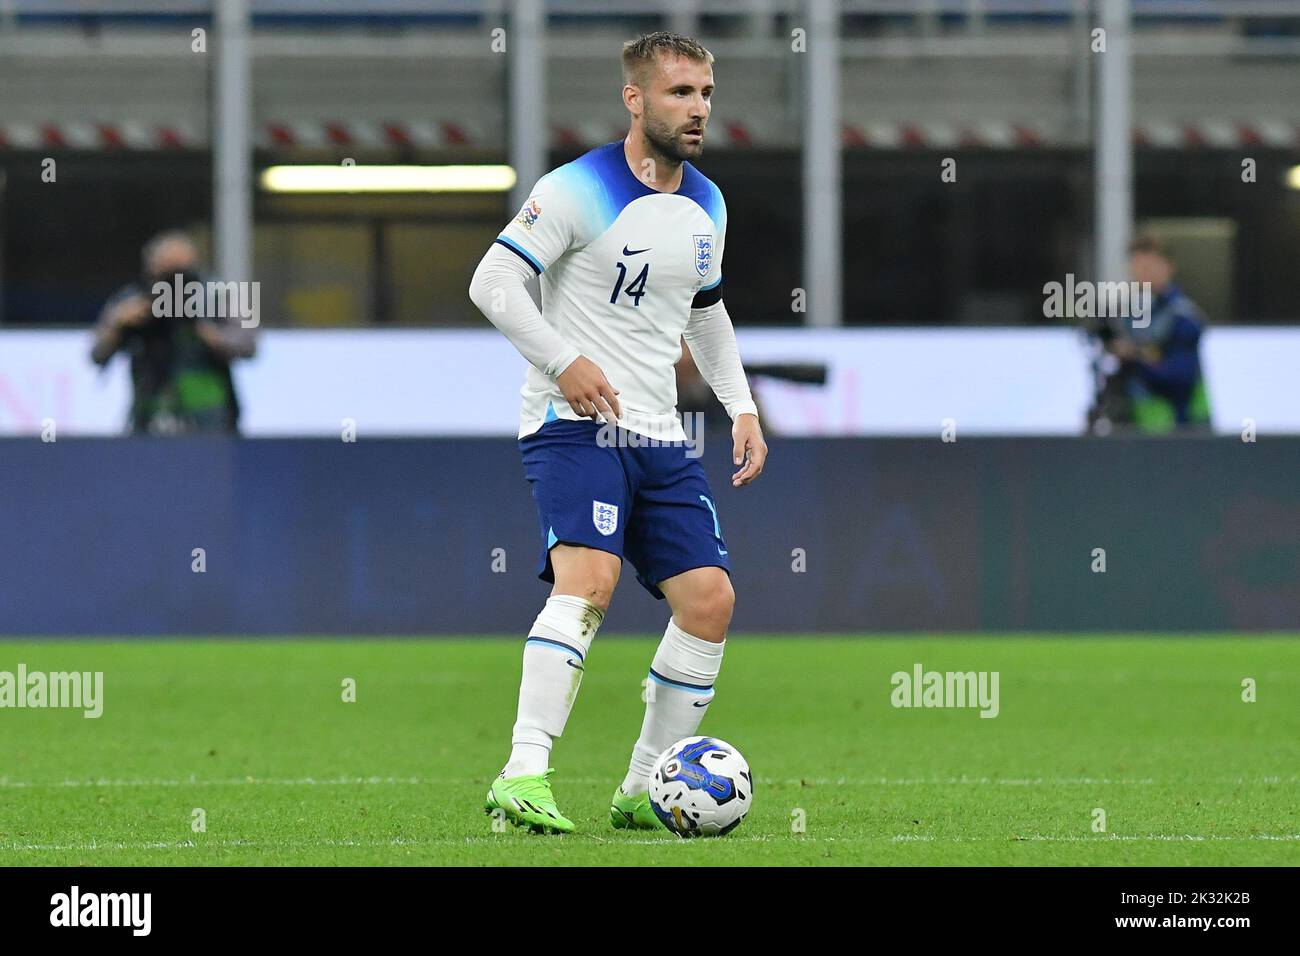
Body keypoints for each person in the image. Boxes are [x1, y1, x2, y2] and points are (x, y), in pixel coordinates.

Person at [468, 32, 767, 834]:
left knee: (709, 602)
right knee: (589, 583)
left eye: (705, 92)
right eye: (679, 93)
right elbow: (493, 282)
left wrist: (740, 405)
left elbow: (706, 313)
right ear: (635, 99)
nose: (697, 108)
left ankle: (640, 789)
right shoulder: (576, 188)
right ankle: (523, 772)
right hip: (573, 425)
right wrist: (564, 362)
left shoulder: (709, 203)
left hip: (661, 437)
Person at [90, 230, 256, 434]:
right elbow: (96, 353)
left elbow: (249, 344)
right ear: (151, 269)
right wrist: (119, 324)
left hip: (209, 414)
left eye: (181, 272)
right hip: (150, 410)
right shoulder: (131, 298)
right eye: (165, 273)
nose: (173, 284)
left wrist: (205, 331)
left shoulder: (219, 294)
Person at [1106, 233, 1211, 431]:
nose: (1142, 273)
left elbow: (1180, 378)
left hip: (1179, 429)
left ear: (1168, 267)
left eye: (1149, 265)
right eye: (1137, 265)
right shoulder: (1128, 315)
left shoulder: (1184, 317)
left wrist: (1135, 356)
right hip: (1137, 427)